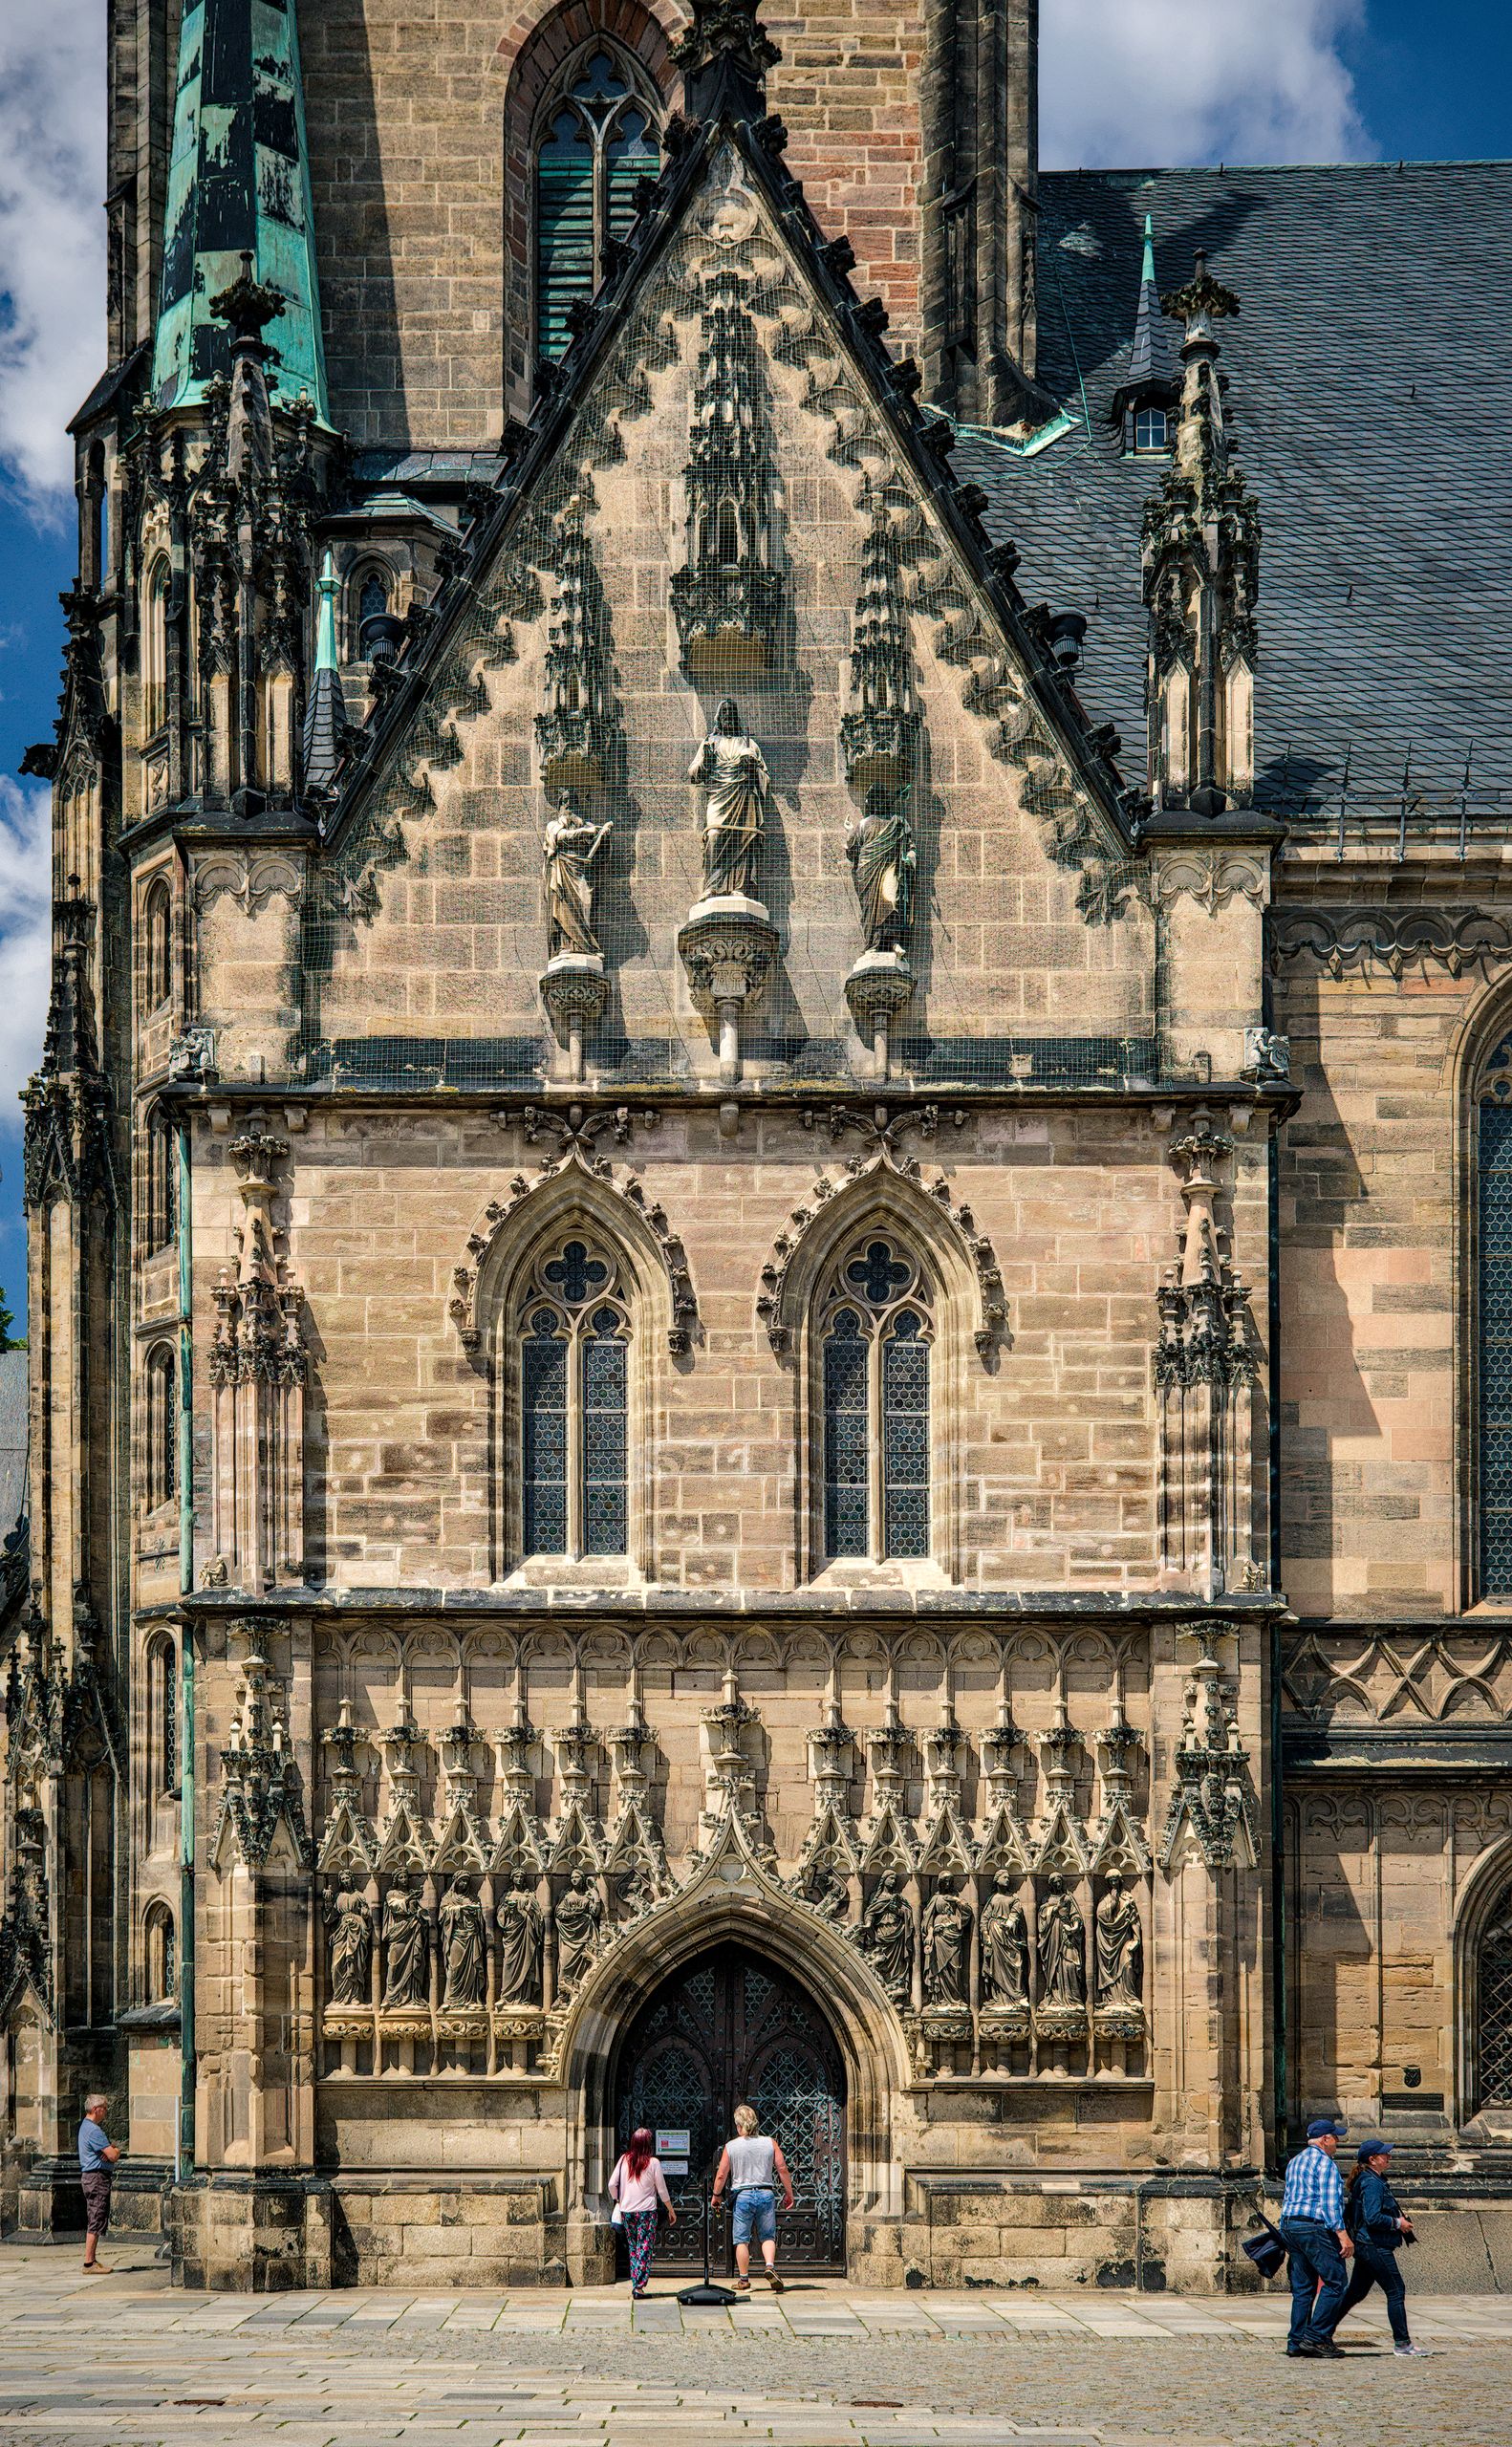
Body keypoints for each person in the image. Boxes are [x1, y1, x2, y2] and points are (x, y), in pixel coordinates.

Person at [1334, 2140, 1426, 2355]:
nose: (1389, 2157)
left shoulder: (1371, 2180)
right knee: (1395, 2290)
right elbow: (1373, 2217)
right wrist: (1398, 2223)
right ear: (1372, 2159)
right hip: (1375, 2245)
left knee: (1355, 2293)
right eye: (1384, 2154)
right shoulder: (1372, 2183)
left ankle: (1319, 2331)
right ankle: (1402, 2343)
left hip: (1368, 2245)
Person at [1278, 2116, 1353, 2358]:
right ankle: (1315, 2336)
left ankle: (1296, 2341)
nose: (1338, 2142)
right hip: (1313, 2227)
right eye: (1336, 2138)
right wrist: (1342, 2235)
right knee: (1336, 2282)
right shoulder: (1326, 2164)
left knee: (1303, 2288)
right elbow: (1330, 2203)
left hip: (1290, 2226)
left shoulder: (1296, 2161)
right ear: (1325, 2139)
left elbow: (1289, 2196)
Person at [711, 2102, 794, 2294]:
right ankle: (770, 2266)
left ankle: (743, 2279)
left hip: (742, 2195)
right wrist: (789, 2193)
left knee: (742, 2239)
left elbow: (722, 2175)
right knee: (767, 2235)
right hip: (765, 2193)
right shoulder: (769, 2142)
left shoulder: (731, 2146)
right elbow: (782, 2168)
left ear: (739, 2125)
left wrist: (716, 2195)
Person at [608, 2125, 676, 2300]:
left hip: (627, 2211)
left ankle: (635, 2283)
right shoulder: (653, 2163)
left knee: (633, 2246)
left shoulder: (624, 2159)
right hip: (646, 2212)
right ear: (648, 2144)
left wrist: (618, 2199)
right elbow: (661, 2190)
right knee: (644, 2246)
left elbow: (611, 2184)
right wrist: (670, 2209)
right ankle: (638, 2286)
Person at [77, 2093, 120, 2272]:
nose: (106, 2112)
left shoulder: (85, 2127)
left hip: (92, 2177)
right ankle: (89, 2263)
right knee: (96, 2216)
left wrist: (109, 2150)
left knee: (96, 2215)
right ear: (96, 2109)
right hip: (97, 2178)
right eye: (105, 2108)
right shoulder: (94, 2131)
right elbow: (112, 2155)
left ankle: (92, 2260)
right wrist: (115, 2149)